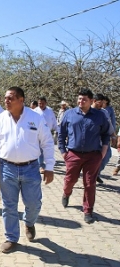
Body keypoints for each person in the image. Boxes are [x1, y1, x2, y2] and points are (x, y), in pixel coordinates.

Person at [0, 86, 55, 253]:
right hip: (7, 168)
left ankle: (29, 222)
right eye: (6, 98)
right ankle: (11, 238)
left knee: (34, 203)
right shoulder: (0, 119)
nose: (6, 101)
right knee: (8, 205)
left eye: (10, 98)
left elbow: (48, 143)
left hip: (31, 168)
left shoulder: (35, 118)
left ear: (21, 100)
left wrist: (49, 167)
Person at [58, 89, 111, 224]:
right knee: (70, 180)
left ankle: (88, 210)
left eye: (84, 99)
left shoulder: (100, 116)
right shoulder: (70, 114)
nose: (81, 101)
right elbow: (61, 134)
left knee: (89, 184)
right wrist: (63, 152)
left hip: (93, 156)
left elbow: (106, 134)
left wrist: (103, 152)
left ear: (91, 101)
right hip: (73, 154)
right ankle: (66, 193)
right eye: (79, 99)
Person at [92, 94, 115, 184]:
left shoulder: (105, 112)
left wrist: (113, 135)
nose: (102, 105)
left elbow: (110, 124)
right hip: (93, 140)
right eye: (100, 102)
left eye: (104, 103)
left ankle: (96, 173)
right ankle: (90, 176)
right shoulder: (88, 111)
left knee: (107, 156)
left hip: (104, 140)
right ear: (94, 101)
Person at [33, 97, 58, 174]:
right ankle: (40, 165)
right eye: (39, 103)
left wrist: (58, 130)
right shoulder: (35, 111)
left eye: (42, 103)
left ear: (46, 103)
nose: (41, 105)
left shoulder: (50, 111)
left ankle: (47, 164)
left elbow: (53, 121)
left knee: (47, 149)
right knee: (40, 150)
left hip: (48, 132)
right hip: (38, 133)